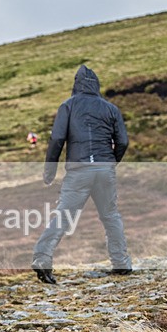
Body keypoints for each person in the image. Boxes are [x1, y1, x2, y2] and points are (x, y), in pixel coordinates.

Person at [32, 65, 132, 284]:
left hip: (78, 171)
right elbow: (123, 141)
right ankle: (121, 263)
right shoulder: (110, 109)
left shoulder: (67, 106)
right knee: (110, 215)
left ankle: (42, 258)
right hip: (105, 169)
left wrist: (49, 170)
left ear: (75, 85)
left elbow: (57, 139)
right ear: (96, 85)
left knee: (64, 215)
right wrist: (111, 162)